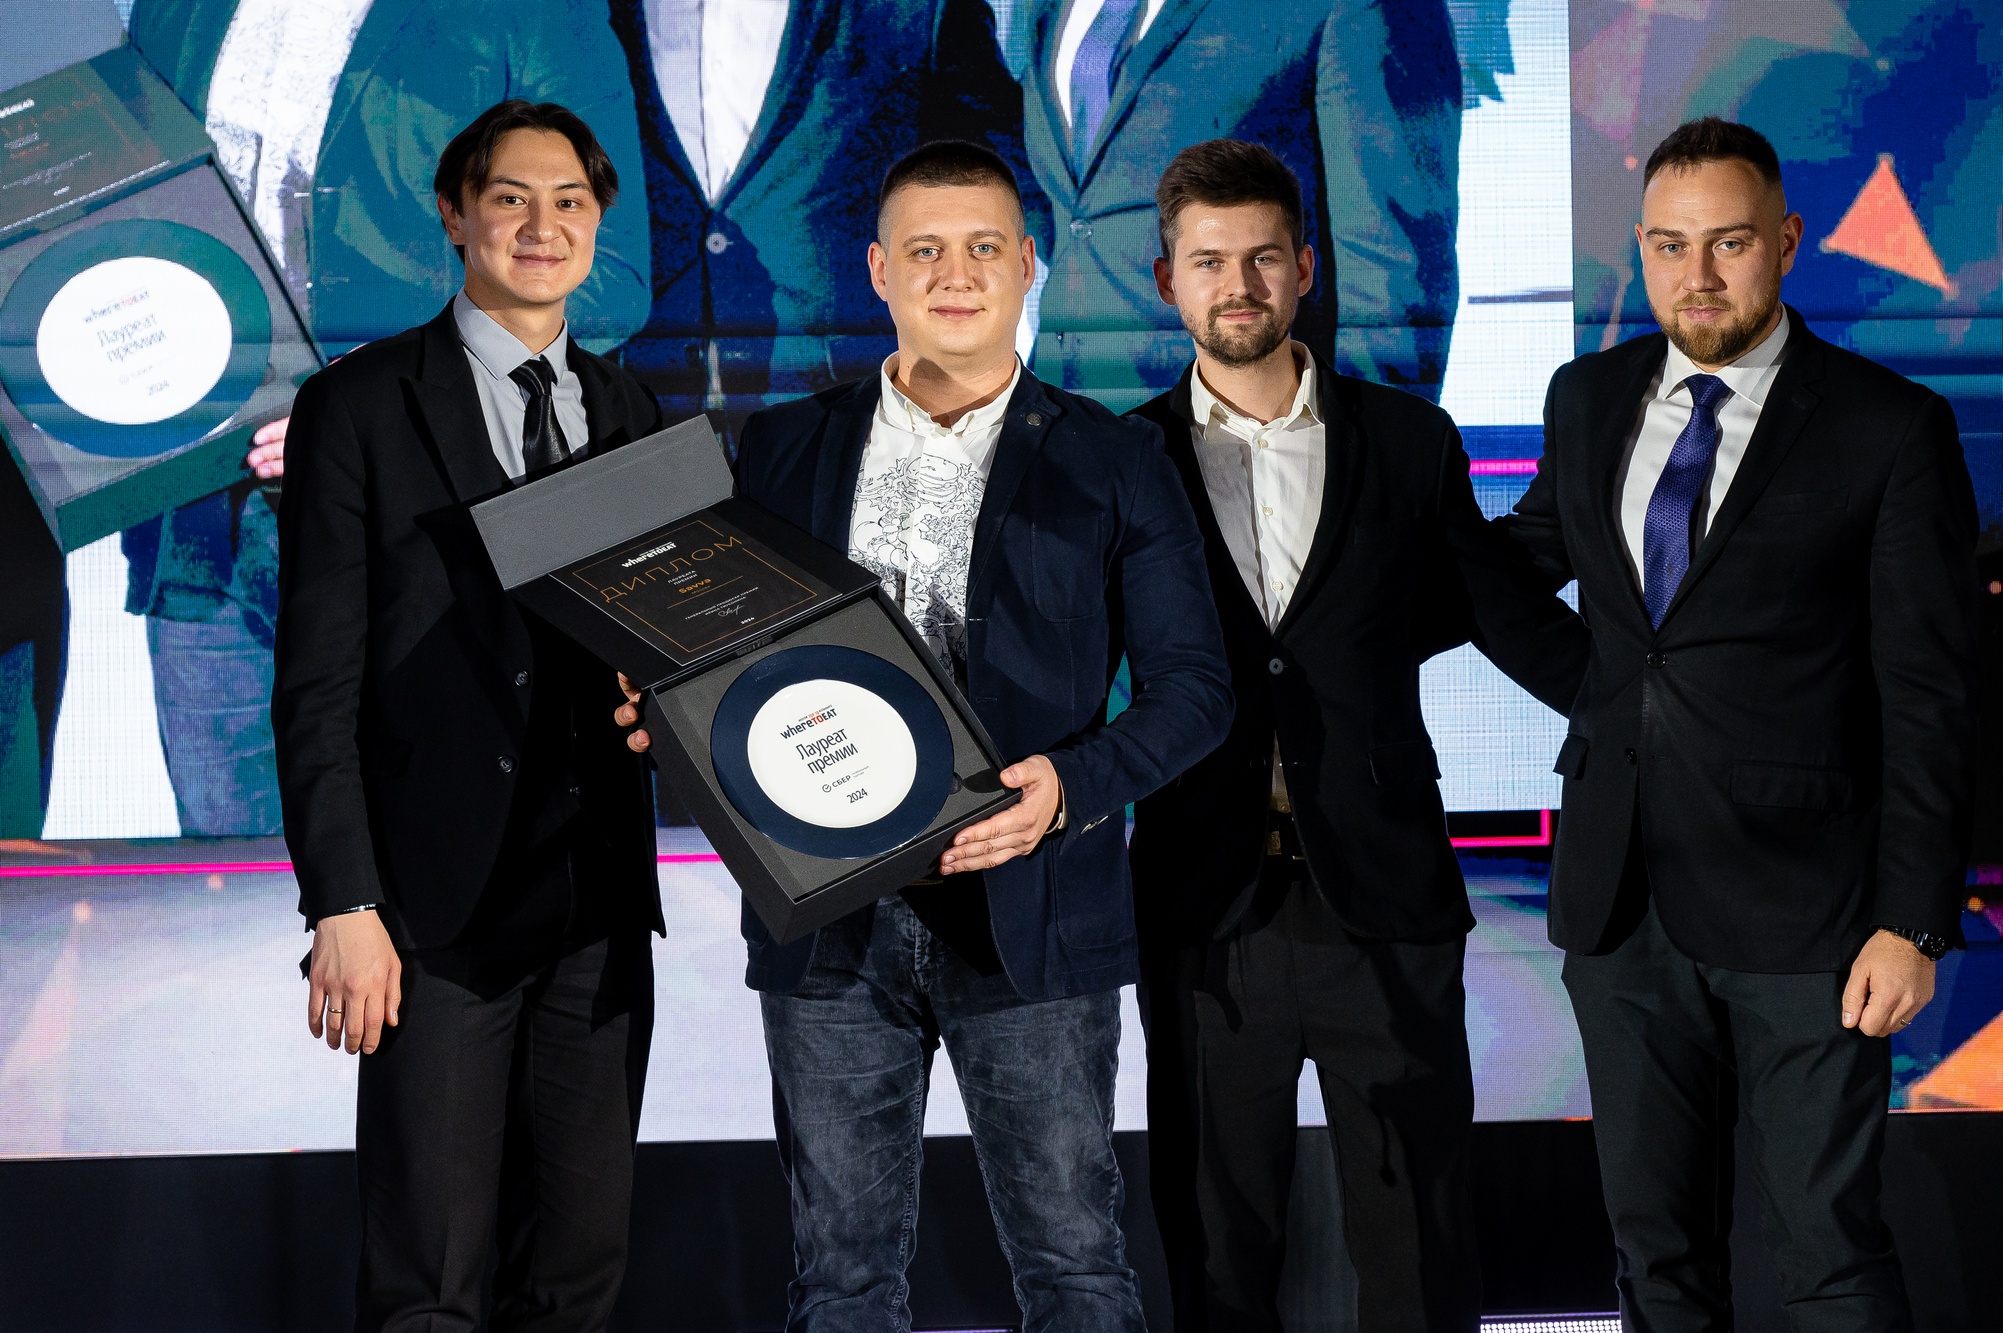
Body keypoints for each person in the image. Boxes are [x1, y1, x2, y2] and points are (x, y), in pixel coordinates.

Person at [620, 140, 1232, 1331]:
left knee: (1074, 1265)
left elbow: (1194, 691)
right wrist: (673, 714)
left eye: (983, 248)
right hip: (829, 916)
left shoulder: (1116, 458)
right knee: (839, 1280)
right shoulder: (781, 447)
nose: (956, 274)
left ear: (1028, 264)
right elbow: (725, 662)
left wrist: (1067, 787)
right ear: (878, 271)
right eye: (926, 250)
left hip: (1031, 911)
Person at [1502, 117, 1978, 1330]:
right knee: (1654, 1257)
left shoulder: (1887, 424)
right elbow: (1515, 571)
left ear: (1785, 240)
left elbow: (1928, 693)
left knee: (1826, 1254)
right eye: (1668, 245)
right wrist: (1599, 695)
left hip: (1812, 916)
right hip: (1618, 907)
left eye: (1727, 242)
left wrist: (1911, 922)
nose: (1697, 275)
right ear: (1640, 248)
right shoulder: (1586, 398)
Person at [1125, 139, 1589, 1333]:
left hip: (1383, 901)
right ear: (1166, 278)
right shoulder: (1119, 458)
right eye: (1209, 261)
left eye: (1263, 257)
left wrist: (1657, 717)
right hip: (1203, 907)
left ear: (1305, 266)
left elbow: (1503, 614)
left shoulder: (1405, 438)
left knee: (1418, 1245)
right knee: (1216, 1248)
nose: (1238, 285)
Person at [273, 101, 665, 1329]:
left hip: (595, 906)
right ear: (454, 216)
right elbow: (317, 683)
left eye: (570, 202)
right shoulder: (360, 405)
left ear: (598, 224)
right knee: (428, 1284)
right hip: (429, 914)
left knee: (577, 1276)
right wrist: (344, 902)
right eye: (510, 198)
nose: (542, 226)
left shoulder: (633, 411)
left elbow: (665, 649)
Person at [117, 0, 652, 835]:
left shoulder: (532, 13)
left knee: (447, 882)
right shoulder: (174, 7)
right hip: (206, 541)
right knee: (221, 896)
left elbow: (609, 276)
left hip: (431, 549)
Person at [605, 0, 1043, 435]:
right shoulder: (592, 12)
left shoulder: (915, 11)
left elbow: (1012, 180)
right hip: (644, 413)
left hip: (844, 414)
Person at [1016, 0, 1462, 410]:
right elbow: (1073, 211)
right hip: (1060, 420)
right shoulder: (1048, 9)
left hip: (1244, 429)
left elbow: (1394, 257)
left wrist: (1373, 444)